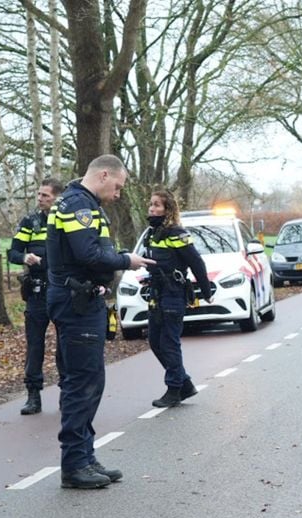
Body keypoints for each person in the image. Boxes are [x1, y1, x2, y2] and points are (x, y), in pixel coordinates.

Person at [44, 154, 152, 489]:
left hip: (78, 299)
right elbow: (88, 255)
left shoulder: (82, 203)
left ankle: (85, 457)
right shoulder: (80, 206)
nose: (119, 193)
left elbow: (89, 249)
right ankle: (75, 464)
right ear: (104, 175)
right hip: (77, 303)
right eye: (118, 186)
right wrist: (126, 260)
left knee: (89, 380)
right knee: (82, 383)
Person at [141, 188, 212, 408]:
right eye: (151, 204)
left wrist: (206, 291)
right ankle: (185, 384)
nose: (152, 208)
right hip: (156, 294)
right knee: (155, 341)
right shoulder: (152, 233)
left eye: (157, 205)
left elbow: (196, 263)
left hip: (173, 294)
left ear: (167, 209)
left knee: (169, 343)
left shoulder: (176, 233)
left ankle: (174, 390)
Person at [9, 178, 64, 415]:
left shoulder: (65, 220)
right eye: (39, 195)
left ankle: (67, 393)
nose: (40, 199)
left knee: (65, 344)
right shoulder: (30, 221)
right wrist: (24, 258)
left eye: (45, 195)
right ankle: (33, 395)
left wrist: (48, 263)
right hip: (37, 291)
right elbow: (13, 251)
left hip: (60, 290)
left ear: (57, 198)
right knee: (34, 344)